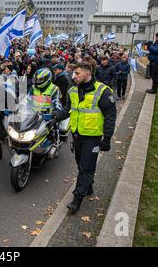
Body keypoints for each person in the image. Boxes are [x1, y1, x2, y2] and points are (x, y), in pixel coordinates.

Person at [48, 61, 117, 214]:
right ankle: (88, 186)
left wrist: (107, 138)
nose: (74, 76)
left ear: (87, 73)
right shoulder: (73, 90)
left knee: (86, 167)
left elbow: (110, 116)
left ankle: (77, 199)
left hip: (93, 138)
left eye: (77, 73)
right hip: (77, 135)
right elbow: (68, 109)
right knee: (81, 164)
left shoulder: (103, 91)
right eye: (73, 73)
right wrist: (56, 119)